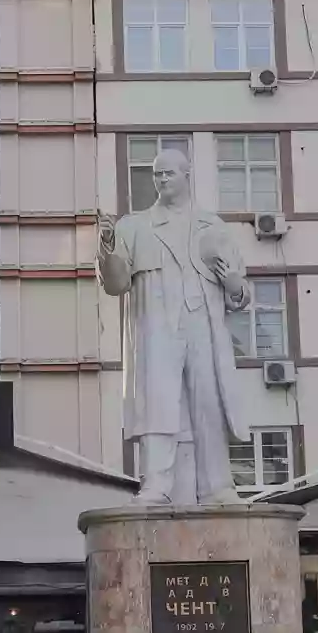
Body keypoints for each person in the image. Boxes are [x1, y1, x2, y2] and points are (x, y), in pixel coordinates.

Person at [97, 147, 254, 505]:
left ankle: (218, 486)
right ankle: (157, 484)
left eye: (169, 173)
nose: (162, 179)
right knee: (158, 402)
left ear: (187, 175)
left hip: (203, 325)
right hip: (157, 324)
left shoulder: (212, 226)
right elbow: (116, 284)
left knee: (209, 403)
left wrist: (234, 284)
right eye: (157, 174)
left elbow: (241, 293)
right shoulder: (133, 226)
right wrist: (107, 247)